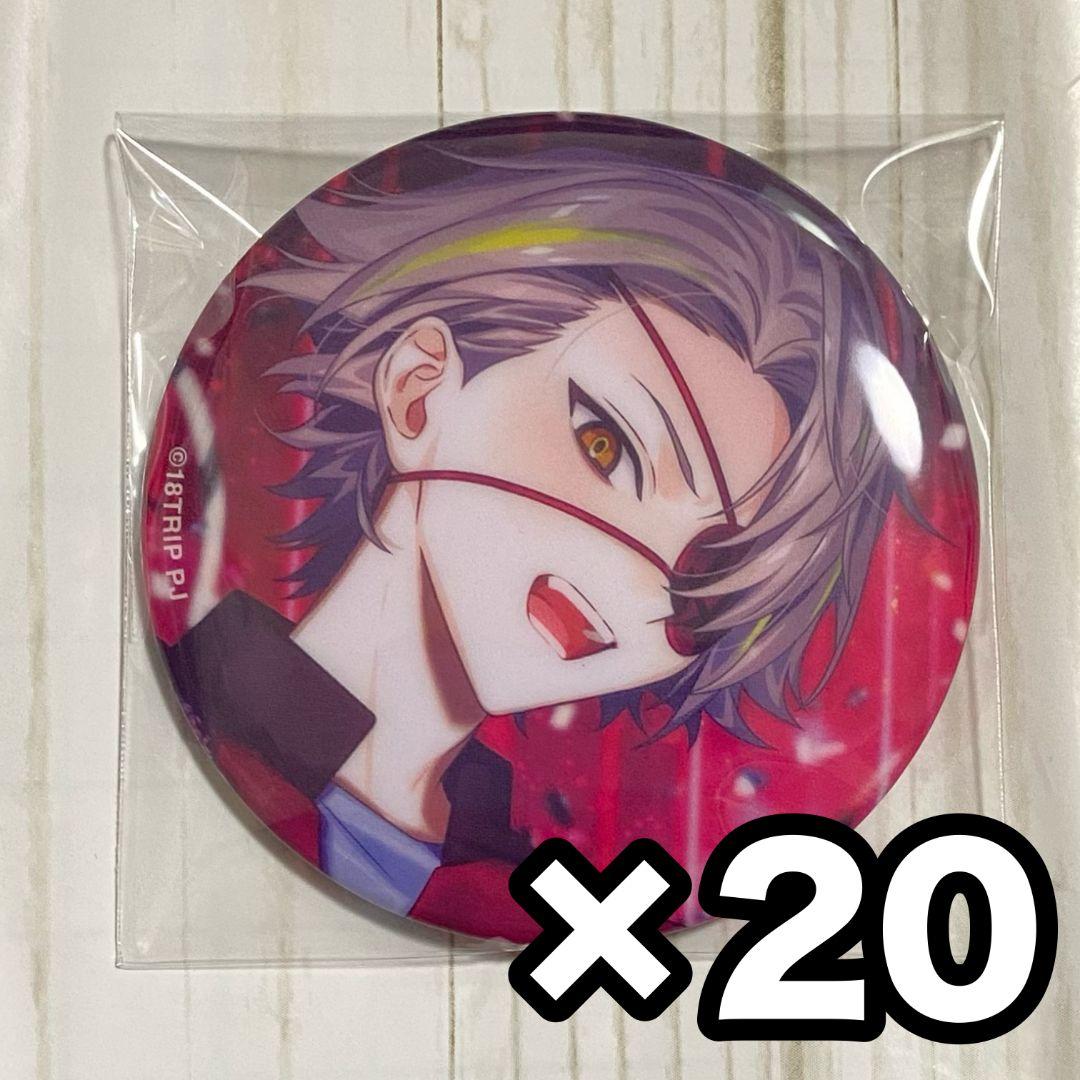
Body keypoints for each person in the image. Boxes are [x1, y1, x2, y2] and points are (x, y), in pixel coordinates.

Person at [167, 131, 921, 939]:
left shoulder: (520, 886)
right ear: (420, 390)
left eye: (706, 581)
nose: (641, 585)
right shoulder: (210, 731)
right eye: (606, 445)